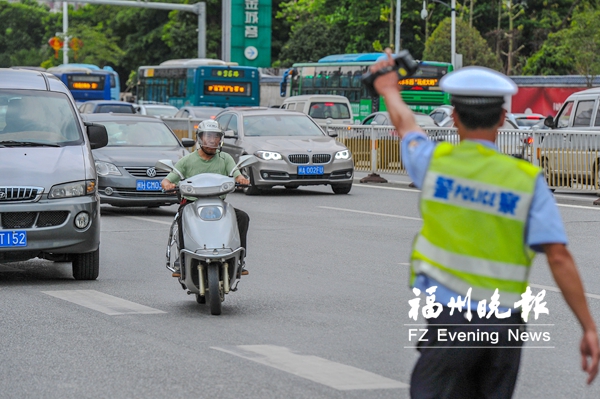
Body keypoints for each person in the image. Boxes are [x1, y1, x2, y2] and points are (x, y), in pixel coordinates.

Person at [370, 49, 599, 398]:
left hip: (450, 324)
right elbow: (558, 256)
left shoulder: (436, 163)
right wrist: (588, 328)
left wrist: (388, 87)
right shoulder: (527, 180)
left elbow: (406, 125)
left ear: (455, 118)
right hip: (504, 330)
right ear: (503, 118)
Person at [161, 119, 251, 277]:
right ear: (200, 138)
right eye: (208, 136)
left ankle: (238, 259)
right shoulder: (187, 160)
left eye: (216, 136)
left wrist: (242, 180)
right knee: (182, 218)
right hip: (191, 204)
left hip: (218, 204)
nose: (212, 140)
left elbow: (237, 174)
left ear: (220, 139)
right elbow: (168, 179)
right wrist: (167, 184)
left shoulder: (225, 159)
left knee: (242, 217)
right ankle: (181, 262)